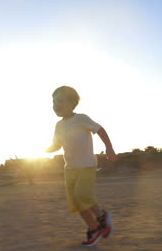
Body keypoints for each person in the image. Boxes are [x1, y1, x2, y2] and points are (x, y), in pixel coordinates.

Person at [46, 86, 118, 246]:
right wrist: (47, 148)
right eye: (53, 102)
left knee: (82, 195)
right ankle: (94, 228)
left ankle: (102, 216)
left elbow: (100, 130)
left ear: (72, 103)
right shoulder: (58, 125)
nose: (55, 105)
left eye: (59, 101)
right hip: (69, 168)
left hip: (86, 165)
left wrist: (109, 148)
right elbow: (57, 144)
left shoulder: (81, 119)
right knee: (76, 203)